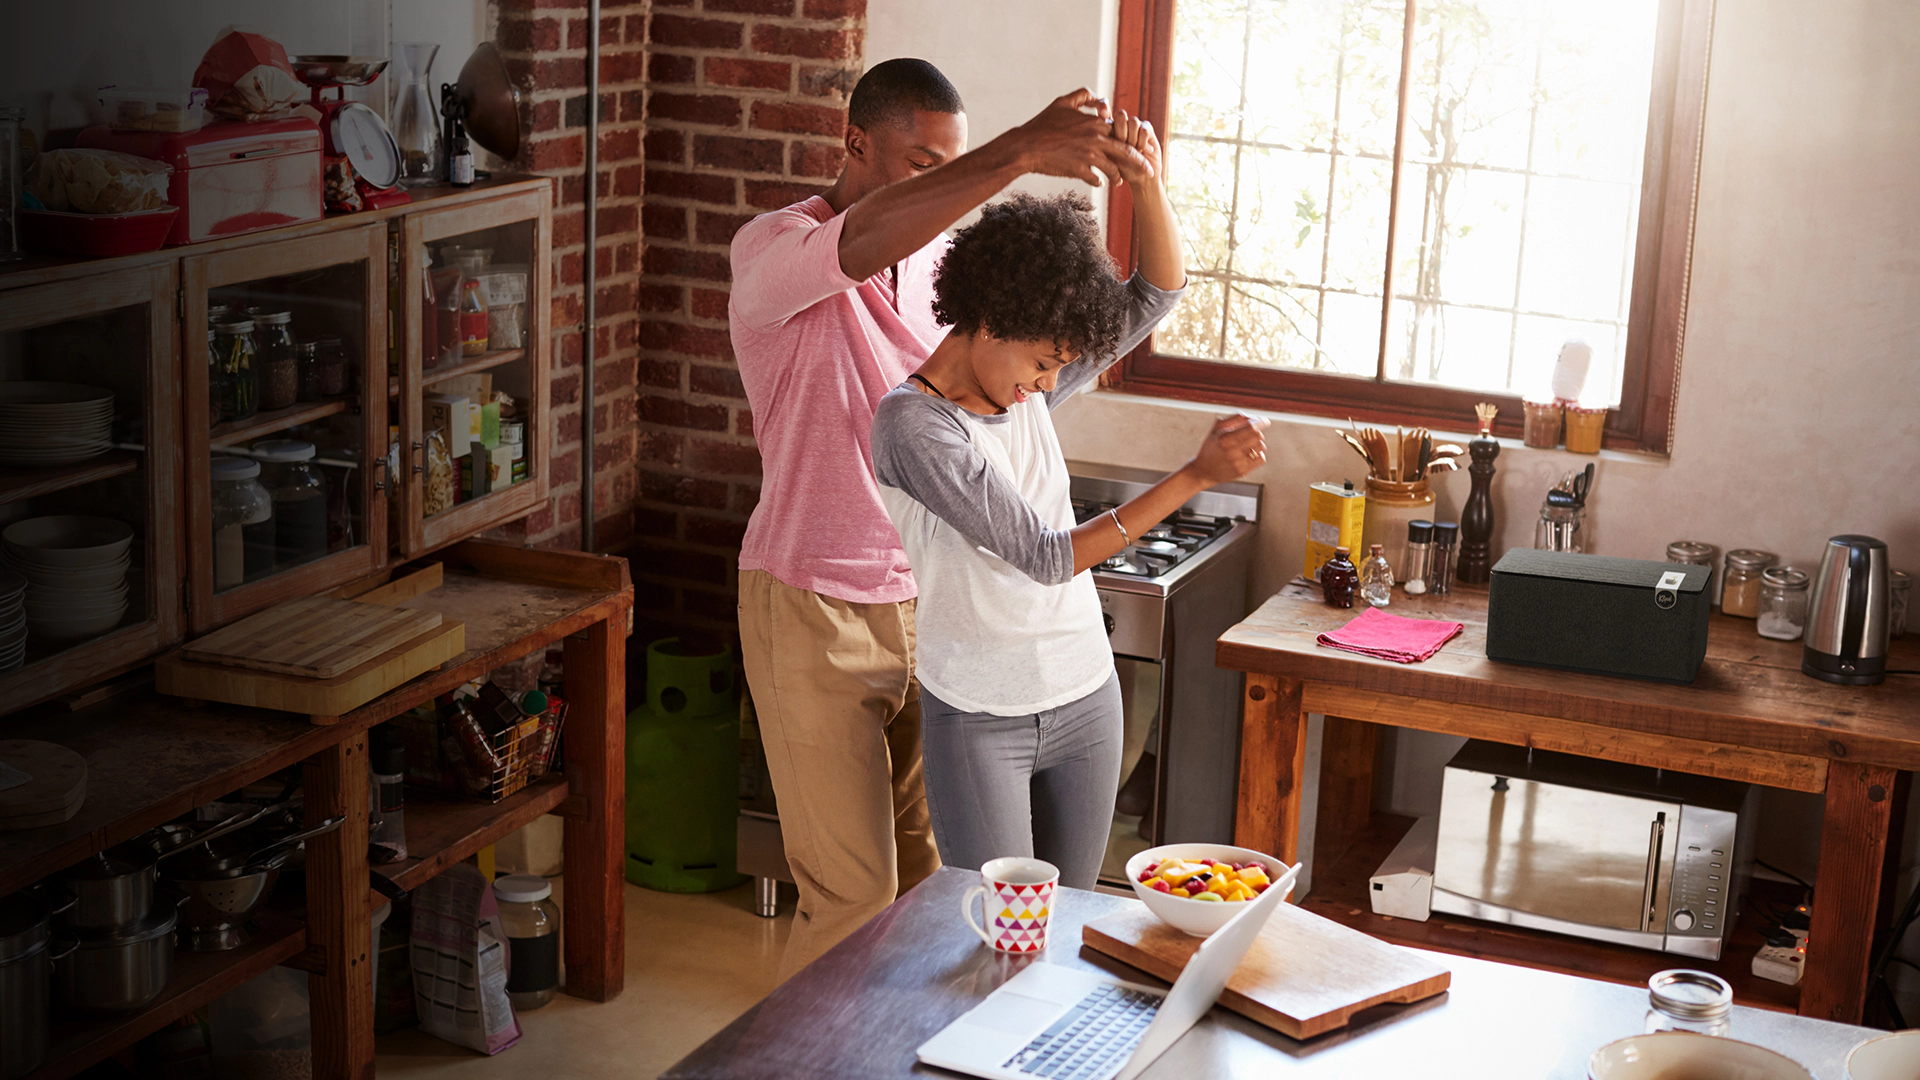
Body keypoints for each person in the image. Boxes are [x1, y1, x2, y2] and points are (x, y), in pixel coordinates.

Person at [727, 58, 1151, 979]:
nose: (944, 185)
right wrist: (1022, 150)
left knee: (940, 896)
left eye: (950, 167)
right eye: (924, 164)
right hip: (812, 605)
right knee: (851, 900)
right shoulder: (772, 251)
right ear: (855, 143)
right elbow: (859, 243)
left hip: (932, 607)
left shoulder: (938, 273)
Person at [868, 113, 1270, 890]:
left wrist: (1147, 183)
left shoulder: (1022, 383)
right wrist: (1194, 475)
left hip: (1085, 694)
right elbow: (1045, 556)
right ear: (993, 320)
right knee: (1004, 935)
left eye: (1060, 367)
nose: (1051, 384)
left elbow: (1157, 293)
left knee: (1071, 924)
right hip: (981, 715)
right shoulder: (914, 426)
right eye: (1045, 363)